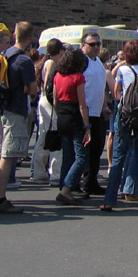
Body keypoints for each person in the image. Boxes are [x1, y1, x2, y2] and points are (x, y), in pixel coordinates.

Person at [0, 22, 38, 214]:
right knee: (7, 157)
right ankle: (0, 199)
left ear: (14, 35)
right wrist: (26, 88)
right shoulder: (24, 60)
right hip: (15, 110)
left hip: (0, 108)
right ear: (30, 38)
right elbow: (33, 89)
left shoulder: (4, 54)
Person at [100, 40, 138, 212]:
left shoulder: (123, 70)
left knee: (119, 157)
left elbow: (116, 92)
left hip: (126, 116)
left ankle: (110, 200)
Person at [52, 46, 92, 206]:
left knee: (67, 156)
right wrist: (87, 126)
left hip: (62, 116)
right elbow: (82, 105)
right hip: (75, 117)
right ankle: (67, 189)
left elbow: (55, 101)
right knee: (81, 156)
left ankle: (64, 186)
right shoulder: (78, 77)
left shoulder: (58, 75)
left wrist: (59, 114)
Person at [80, 32, 111, 196]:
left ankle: (91, 182)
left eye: (98, 44)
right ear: (83, 45)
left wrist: (105, 106)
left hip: (97, 111)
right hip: (85, 111)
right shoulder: (82, 61)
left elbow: (101, 87)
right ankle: (80, 183)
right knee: (85, 151)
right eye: (92, 44)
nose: (96, 47)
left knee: (97, 149)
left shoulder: (98, 62)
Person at [31, 38, 63, 185]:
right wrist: (55, 103)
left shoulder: (46, 62)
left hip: (44, 100)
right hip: (49, 101)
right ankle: (54, 172)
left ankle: (38, 171)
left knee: (44, 135)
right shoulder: (51, 63)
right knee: (53, 135)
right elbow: (49, 85)